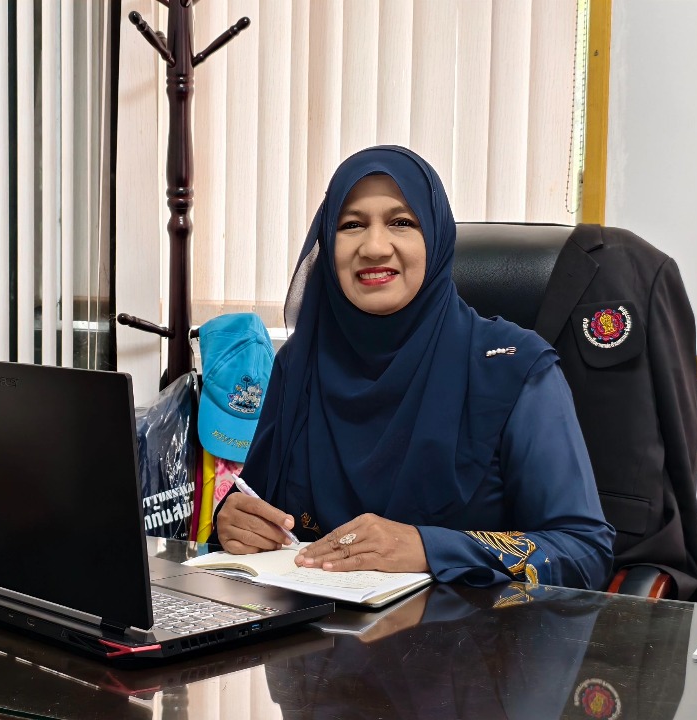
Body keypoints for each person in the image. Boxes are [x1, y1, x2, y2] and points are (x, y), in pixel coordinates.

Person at [214, 145, 614, 590]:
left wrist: (427, 548)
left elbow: (584, 552)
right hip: (311, 628)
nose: (374, 247)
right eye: (351, 225)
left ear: (436, 238)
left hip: (465, 630)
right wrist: (233, 521)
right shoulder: (299, 364)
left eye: (402, 222)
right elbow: (258, 508)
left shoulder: (513, 368)